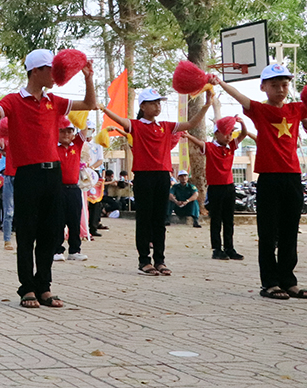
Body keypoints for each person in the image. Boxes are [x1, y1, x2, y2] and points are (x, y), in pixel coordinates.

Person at [0, 49, 97, 309]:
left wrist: (88, 77)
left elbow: (90, 104)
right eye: (50, 69)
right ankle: (27, 288)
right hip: (27, 174)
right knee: (27, 232)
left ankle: (44, 286)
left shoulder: (54, 101)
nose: (55, 75)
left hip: (54, 173)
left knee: (51, 232)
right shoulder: (13, 101)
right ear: (35, 70)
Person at [214, 64, 306, 300]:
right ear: (263, 87)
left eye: (284, 84)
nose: (280, 89)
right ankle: (270, 283)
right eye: (274, 85)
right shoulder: (259, 110)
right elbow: (241, 97)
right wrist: (220, 83)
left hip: (293, 177)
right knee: (268, 231)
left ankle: (289, 281)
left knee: (289, 232)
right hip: (268, 178)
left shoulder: (297, 109)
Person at [101, 86, 211, 277]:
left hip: (163, 176)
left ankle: (160, 260)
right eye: (153, 103)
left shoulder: (167, 126)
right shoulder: (135, 125)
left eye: (159, 102)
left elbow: (192, 123)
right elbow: (118, 120)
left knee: (160, 220)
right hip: (143, 177)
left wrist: (207, 104)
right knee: (144, 219)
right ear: (143, 106)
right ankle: (144, 260)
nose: (158, 106)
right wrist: (103, 108)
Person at [203, 116, 247, 260]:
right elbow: (199, 143)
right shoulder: (210, 147)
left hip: (229, 187)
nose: (229, 137)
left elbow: (244, 134)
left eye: (231, 133)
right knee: (216, 219)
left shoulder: (231, 147)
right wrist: (187, 135)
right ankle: (217, 249)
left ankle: (229, 248)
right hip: (215, 188)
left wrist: (242, 123)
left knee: (229, 219)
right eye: (226, 133)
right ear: (217, 134)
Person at [53, 119, 87, 262]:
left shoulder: (77, 145)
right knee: (57, 220)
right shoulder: (53, 146)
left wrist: (78, 115)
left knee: (74, 220)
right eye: (62, 131)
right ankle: (57, 250)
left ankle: (75, 250)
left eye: (69, 131)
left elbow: (85, 128)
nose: (66, 134)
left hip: (74, 189)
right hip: (57, 189)